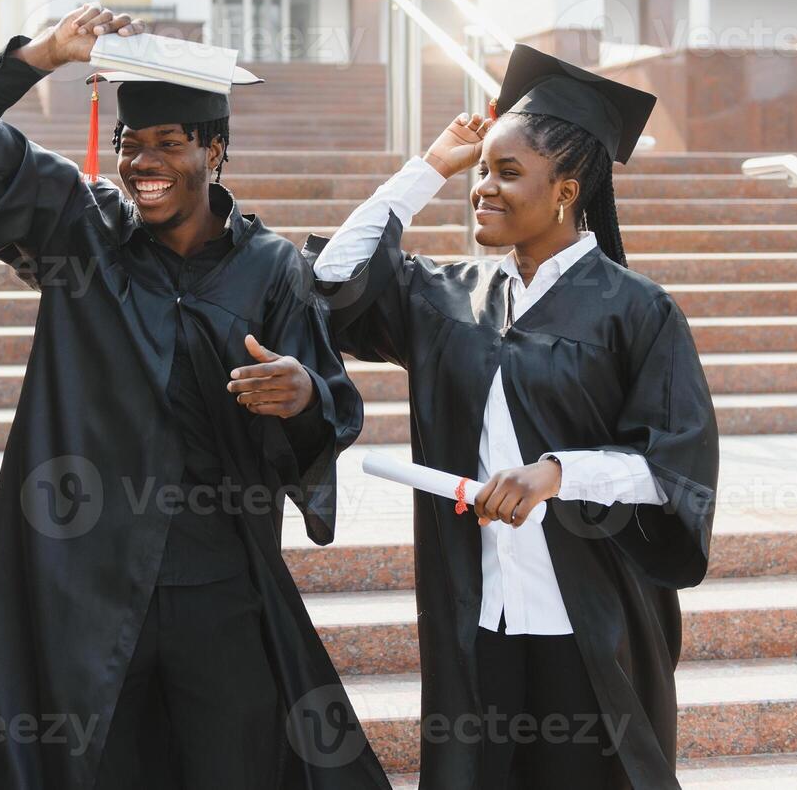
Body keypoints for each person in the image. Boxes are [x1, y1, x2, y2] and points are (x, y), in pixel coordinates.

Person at [0, 5, 390, 789]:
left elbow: (330, 411)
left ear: (215, 148)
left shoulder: (273, 269)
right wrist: (38, 57)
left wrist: (301, 394)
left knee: (233, 765)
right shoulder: (80, 227)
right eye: (131, 144)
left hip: (219, 575)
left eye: (170, 143)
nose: (145, 161)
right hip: (86, 578)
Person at [304, 44, 719, 790]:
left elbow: (673, 467)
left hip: (590, 615)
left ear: (565, 191)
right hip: (478, 612)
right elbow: (334, 275)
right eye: (482, 171)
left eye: (505, 173)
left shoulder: (635, 310)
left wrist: (557, 474)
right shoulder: (448, 296)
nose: (483, 189)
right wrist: (432, 166)